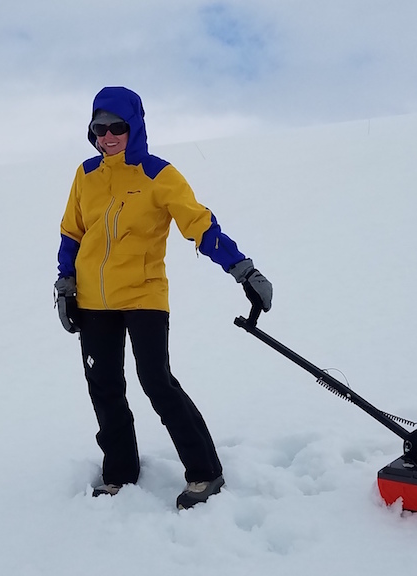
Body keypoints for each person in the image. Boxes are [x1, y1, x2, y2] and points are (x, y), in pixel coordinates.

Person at [54, 86, 272, 510]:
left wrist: (242, 268)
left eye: (117, 126)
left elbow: (200, 225)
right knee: (104, 385)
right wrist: (66, 283)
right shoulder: (86, 174)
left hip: (144, 295)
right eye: (100, 128)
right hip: (95, 300)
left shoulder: (159, 174)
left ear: (133, 126)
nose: (108, 135)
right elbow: (71, 232)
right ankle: (119, 473)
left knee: (156, 382)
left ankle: (205, 472)